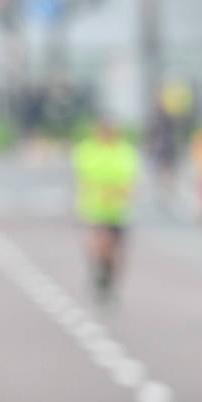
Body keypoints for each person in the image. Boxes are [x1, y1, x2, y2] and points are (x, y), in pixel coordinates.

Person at [71, 118, 140, 304]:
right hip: (96, 208)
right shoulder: (87, 150)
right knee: (99, 241)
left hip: (118, 208)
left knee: (116, 251)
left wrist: (122, 192)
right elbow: (82, 176)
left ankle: (109, 277)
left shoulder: (125, 151)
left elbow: (130, 179)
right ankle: (98, 270)